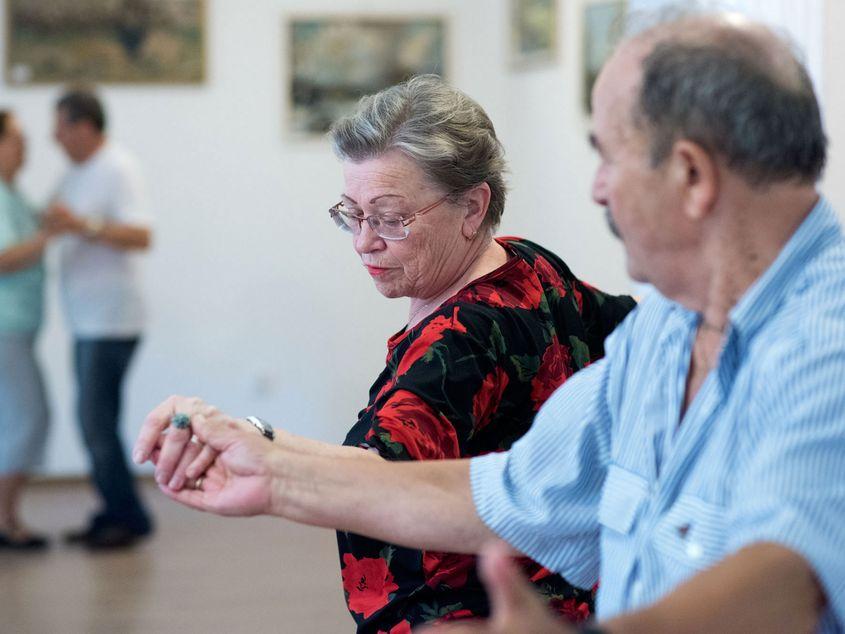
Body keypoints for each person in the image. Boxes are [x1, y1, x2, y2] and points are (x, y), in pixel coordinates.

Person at [136, 9, 845, 633]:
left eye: (606, 155)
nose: (594, 186)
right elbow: (508, 491)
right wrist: (271, 467)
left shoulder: (826, 341)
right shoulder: (664, 331)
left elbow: (787, 574)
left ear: (690, 176)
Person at [139, 75, 634, 630]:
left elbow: (385, 468)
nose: (363, 240)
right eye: (352, 213)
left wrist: (265, 457)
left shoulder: (463, 336)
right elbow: (630, 321)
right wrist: (260, 443)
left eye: (390, 218)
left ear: (472, 207)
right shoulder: (527, 262)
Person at [47, 88, 155, 550]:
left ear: (84, 126)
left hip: (111, 320)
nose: (53, 136)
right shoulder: (77, 173)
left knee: (95, 421)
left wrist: (83, 226)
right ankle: (115, 510)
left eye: (61, 125)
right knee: (95, 421)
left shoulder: (117, 167)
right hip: (87, 319)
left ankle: (128, 517)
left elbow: (141, 234)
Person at [0, 111, 54, 550]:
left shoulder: (12, 194)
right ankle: (4, 519)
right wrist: (44, 238)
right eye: (16, 138)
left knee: (16, 420)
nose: (25, 146)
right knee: (29, 417)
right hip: (6, 326)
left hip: (17, 326)